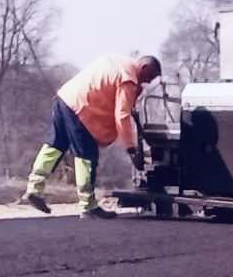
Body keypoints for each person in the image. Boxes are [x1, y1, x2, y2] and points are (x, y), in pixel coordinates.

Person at [22, 54, 162, 217]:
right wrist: (131, 150)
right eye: (148, 77)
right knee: (86, 156)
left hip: (64, 98)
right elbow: (122, 115)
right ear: (144, 68)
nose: (145, 82)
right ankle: (87, 206)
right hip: (81, 109)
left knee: (54, 146)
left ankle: (34, 188)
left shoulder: (117, 61)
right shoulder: (129, 78)